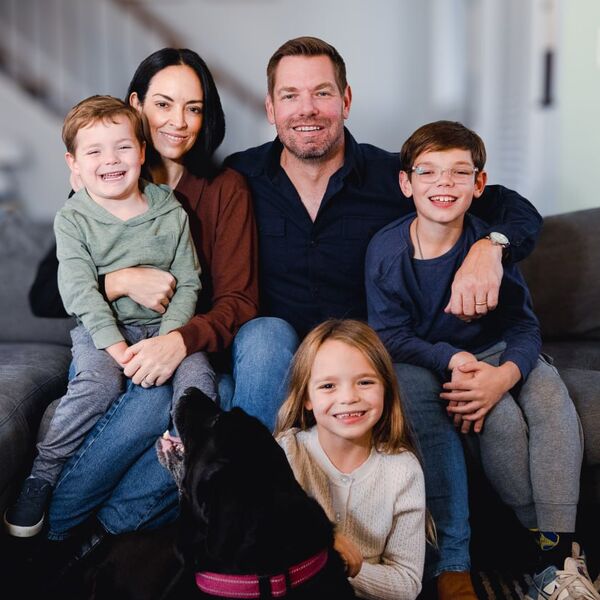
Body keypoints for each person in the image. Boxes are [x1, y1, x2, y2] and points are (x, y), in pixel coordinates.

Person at [225, 36, 543, 598]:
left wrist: (489, 247)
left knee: (415, 381)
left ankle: (452, 564)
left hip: (373, 348)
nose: (307, 109)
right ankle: (250, 540)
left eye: (322, 93)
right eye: (291, 95)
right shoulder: (240, 176)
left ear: (346, 100)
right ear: (270, 108)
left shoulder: (392, 175)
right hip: (283, 348)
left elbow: (514, 209)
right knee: (263, 335)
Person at [26, 48, 259, 567]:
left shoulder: (225, 188)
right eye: (164, 104)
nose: (179, 121)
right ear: (136, 105)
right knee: (153, 401)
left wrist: (177, 340)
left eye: (194, 108)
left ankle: (100, 535)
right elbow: (47, 292)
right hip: (115, 341)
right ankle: (58, 530)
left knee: (209, 405)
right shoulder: (103, 178)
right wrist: (120, 280)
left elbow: (238, 300)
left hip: (186, 343)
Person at [365, 120, 598, 600]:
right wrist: (453, 360)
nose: (444, 183)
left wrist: (506, 374)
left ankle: (559, 559)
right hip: (447, 363)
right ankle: (549, 550)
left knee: (549, 395)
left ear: (479, 184)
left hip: (502, 353)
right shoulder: (388, 252)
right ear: (406, 183)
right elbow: (391, 336)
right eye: (428, 172)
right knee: (502, 422)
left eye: (459, 172)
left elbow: (524, 326)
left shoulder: (488, 245)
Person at [5, 95, 217, 539]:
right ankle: (43, 474)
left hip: (165, 329)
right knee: (99, 384)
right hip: (101, 330)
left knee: (199, 381)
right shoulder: (73, 218)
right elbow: (79, 292)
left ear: (141, 152)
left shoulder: (170, 210)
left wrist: (168, 340)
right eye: (94, 151)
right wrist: (119, 351)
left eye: (122, 147)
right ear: (74, 164)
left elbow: (189, 282)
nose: (111, 160)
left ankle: (189, 465)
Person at [275, 319, 427, 600]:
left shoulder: (403, 470)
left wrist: (341, 566)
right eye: (328, 386)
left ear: (386, 388)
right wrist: (323, 551)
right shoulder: (286, 453)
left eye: (365, 382)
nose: (348, 397)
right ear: (306, 397)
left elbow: (406, 582)